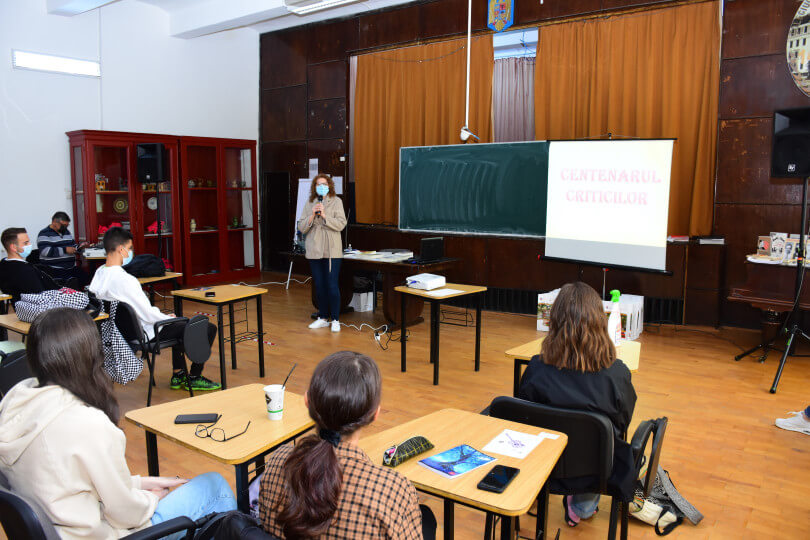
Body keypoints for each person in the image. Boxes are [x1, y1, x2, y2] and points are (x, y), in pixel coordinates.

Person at [0, 308, 236, 540]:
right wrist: (153, 497)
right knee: (215, 487)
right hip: (103, 535)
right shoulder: (86, 423)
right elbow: (127, 514)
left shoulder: (15, 402)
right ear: (91, 355)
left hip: (64, 529)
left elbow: (71, 482)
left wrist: (142, 482)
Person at [259, 351, 436, 539]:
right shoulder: (392, 491)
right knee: (426, 518)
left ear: (307, 401)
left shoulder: (277, 461)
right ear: (375, 414)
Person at [517, 282, 637, 528]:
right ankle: (582, 507)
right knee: (600, 441)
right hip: (595, 470)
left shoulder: (536, 369)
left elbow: (524, 420)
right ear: (599, 322)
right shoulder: (616, 374)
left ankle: (539, 497)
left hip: (545, 465)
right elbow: (623, 422)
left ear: (554, 321)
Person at [89, 227, 220, 391]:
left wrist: (167, 318)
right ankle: (194, 376)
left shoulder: (99, 273)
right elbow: (148, 314)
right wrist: (167, 318)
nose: (131, 253)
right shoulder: (126, 280)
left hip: (121, 334)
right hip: (146, 333)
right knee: (205, 327)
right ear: (121, 250)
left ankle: (178, 374)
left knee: (180, 325)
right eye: (130, 248)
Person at [297, 174, 347, 333]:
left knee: (332, 285)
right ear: (314, 187)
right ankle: (323, 317)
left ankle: (336, 319)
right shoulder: (310, 202)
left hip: (332, 249)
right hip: (314, 248)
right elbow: (301, 227)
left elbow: (341, 224)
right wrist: (312, 215)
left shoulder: (336, 201)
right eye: (318, 184)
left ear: (329, 185)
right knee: (319, 285)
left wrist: (325, 216)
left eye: (324, 184)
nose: (322, 187)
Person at [0, 227, 58, 303]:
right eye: (26, 243)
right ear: (13, 247)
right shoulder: (25, 270)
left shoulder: (4, 264)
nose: (30, 244)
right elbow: (41, 297)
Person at [36, 211, 89, 287]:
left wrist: (79, 247)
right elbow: (45, 251)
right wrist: (65, 250)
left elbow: (72, 246)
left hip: (70, 268)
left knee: (87, 279)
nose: (65, 228)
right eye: (63, 225)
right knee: (72, 283)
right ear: (54, 222)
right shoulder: (44, 234)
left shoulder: (66, 232)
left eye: (67, 225)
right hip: (54, 270)